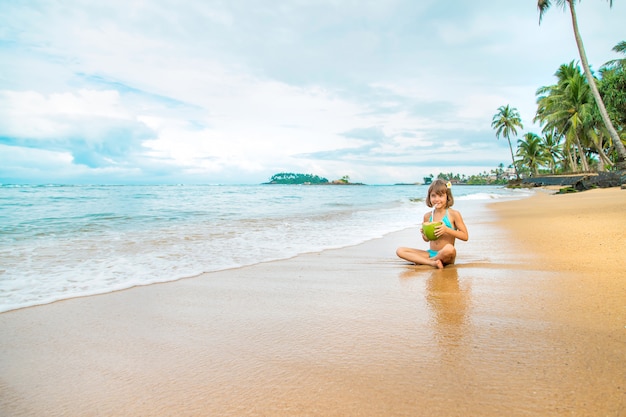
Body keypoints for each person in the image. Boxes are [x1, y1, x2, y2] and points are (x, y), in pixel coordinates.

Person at [396, 179, 468, 269]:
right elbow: (426, 239)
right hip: (430, 253)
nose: (437, 199)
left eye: (441, 196)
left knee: (449, 248)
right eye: (433, 196)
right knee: (400, 250)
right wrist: (424, 234)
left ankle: (426, 261)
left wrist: (446, 229)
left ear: (447, 197)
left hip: (446, 254)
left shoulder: (453, 214)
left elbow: (465, 236)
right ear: (429, 197)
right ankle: (432, 262)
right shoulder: (428, 216)